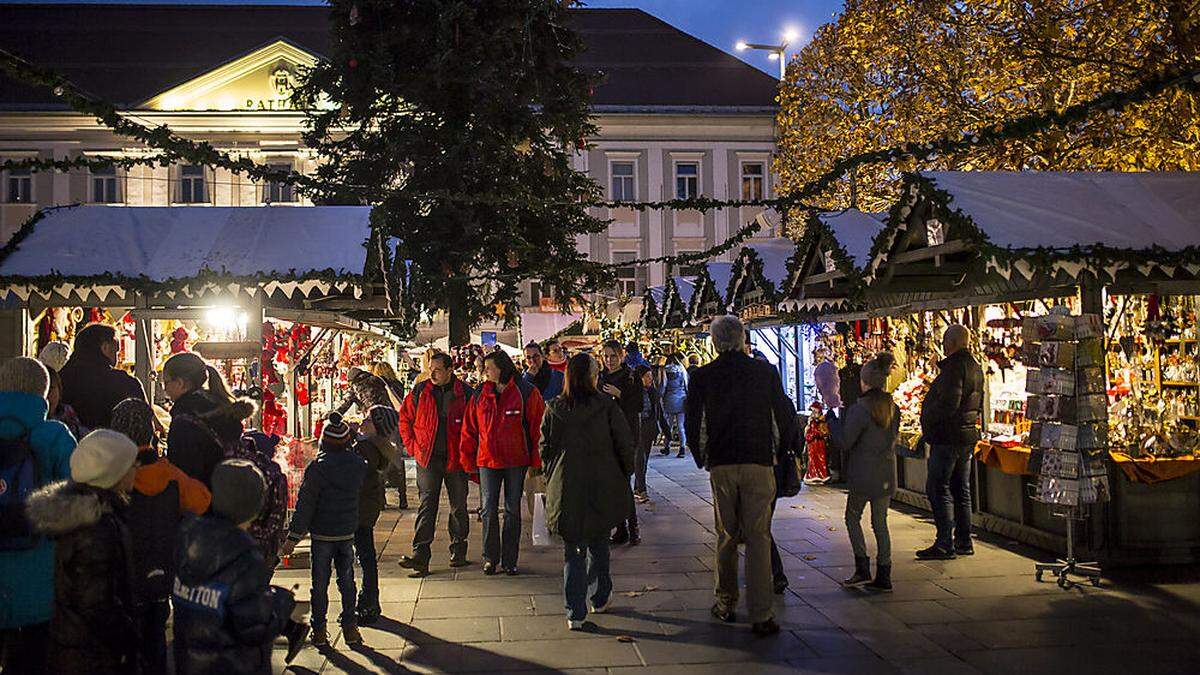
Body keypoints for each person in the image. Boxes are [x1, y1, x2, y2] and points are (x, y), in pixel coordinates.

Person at [685, 315, 796, 636]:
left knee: (727, 534)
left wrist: (700, 455)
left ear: (715, 341)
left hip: (721, 462)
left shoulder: (703, 376)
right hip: (759, 460)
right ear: (742, 339)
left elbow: (693, 421)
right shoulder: (764, 372)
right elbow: (784, 414)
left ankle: (725, 602)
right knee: (759, 536)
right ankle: (762, 613)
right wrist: (780, 450)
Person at [173, 459, 306, 674]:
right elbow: (255, 628)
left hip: (191, 663)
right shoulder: (243, 557)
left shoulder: (189, 537)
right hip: (233, 664)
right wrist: (281, 604)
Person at [26, 429, 141, 673]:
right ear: (114, 473)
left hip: (74, 645)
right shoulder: (97, 527)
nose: (137, 468)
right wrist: (127, 637)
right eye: (132, 464)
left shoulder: (88, 515)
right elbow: (95, 602)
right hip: (93, 654)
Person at [110, 398, 212, 674]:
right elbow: (203, 502)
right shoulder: (170, 475)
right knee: (155, 638)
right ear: (152, 431)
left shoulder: (111, 475)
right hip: (161, 575)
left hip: (122, 579)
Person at [539, 353, 635, 630]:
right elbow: (624, 444)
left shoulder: (555, 408)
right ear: (592, 377)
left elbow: (544, 447)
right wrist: (623, 473)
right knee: (599, 543)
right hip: (601, 485)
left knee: (573, 551)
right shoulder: (607, 407)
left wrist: (552, 474)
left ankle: (575, 612)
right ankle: (599, 596)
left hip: (567, 485)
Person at [0, 357, 77, 675]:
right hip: (40, 577)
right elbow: (76, 500)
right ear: (44, 392)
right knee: (33, 661)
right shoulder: (54, 436)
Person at [281, 413, 368, 648]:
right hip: (346, 532)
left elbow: (305, 506)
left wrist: (293, 537)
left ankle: (319, 631)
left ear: (323, 442)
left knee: (319, 585)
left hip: (322, 535)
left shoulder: (317, 470)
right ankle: (350, 627)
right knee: (347, 581)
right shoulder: (357, 466)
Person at [461, 350, 545, 576]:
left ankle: (510, 559)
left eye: (488, 368)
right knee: (488, 509)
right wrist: (467, 458)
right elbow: (469, 428)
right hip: (487, 460)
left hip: (516, 461)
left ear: (502, 368)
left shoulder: (526, 392)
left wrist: (535, 462)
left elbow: (537, 428)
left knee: (512, 510)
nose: (484, 372)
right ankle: (490, 557)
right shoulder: (480, 393)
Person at [397, 352, 473, 577]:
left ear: (450, 370)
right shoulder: (421, 392)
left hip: (455, 459)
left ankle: (458, 549)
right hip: (427, 458)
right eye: (431, 369)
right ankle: (420, 555)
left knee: (458, 504)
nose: (432, 373)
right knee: (427, 505)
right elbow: (405, 420)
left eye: (438, 369)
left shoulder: (465, 393)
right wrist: (413, 447)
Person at [918, 325, 983, 560]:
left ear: (952, 343)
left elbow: (948, 405)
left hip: (948, 437)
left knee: (938, 488)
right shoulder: (975, 368)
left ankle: (945, 543)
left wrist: (928, 418)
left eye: (945, 342)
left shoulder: (954, 369)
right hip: (964, 436)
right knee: (960, 489)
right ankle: (964, 540)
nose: (943, 347)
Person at [839, 353, 899, 592]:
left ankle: (862, 566)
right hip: (885, 472)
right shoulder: (893, 407)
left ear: (864, 382)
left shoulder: (860, 409)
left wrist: (833, 420)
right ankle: (884, 574)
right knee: (880, 523)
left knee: (852, 517)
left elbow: (846, 441)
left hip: (863, 474)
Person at [162, 352, 254, 485]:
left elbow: (184, 476)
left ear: (180, 383)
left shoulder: (184, 421)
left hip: (202, 500)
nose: (165, 389)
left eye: (166, 382)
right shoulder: (217, 407)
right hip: (227, 496)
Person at [352, 405, 398, 625]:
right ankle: (369, 601)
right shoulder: (373, 446)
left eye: (368, 420)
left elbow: (355, 474)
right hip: (367, 507)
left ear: (377, 426)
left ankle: (368, 603)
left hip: (359, 508)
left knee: (365, 556)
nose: (363, 421)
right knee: (366, 554)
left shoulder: (366, 448)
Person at [58, 323, 146, 430]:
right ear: (105, 347)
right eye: (116, 351)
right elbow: (142, 426)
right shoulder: (124, 383)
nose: (117, 357)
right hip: (114, 445)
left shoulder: (58, 381)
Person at [599, 340, 643, 546]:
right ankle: (620, 528)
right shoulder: (600, 378)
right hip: (606, 436)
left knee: (624, 482)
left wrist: (620, 395)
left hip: (626, 435)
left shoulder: (631, 377)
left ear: (622, 355)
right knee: (611, 484)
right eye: (606, 356)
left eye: (613, 356)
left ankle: (632, 527)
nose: (609, 360)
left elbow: (638, 405)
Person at [372, 362, 410, 510]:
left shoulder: (377, 387)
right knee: (397, 460)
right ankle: (403, 497)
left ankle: (381, 500)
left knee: (380, 460)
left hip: (382, 424)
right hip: (395, 424)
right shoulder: (398, 385)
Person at [632, 365, 666, 501]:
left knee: (643, 459)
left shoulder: (652, 391)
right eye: (647, 376)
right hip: (638, 428)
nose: (650, 379)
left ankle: (637, 488)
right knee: (640, 458)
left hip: (649, 429)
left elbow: (659, 412)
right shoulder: (634, 392)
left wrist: (665, 430)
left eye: (651, 376)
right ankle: (641, 489)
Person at [660, 352, 689, 458]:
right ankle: (682, 448)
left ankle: (666, 446)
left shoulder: (666, 370)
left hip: (669, 400)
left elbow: (663, 385)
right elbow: (687, 385)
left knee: (669, 425)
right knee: (681, 426)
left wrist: (660, 396)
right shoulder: (683, 370)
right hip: (682, 399)